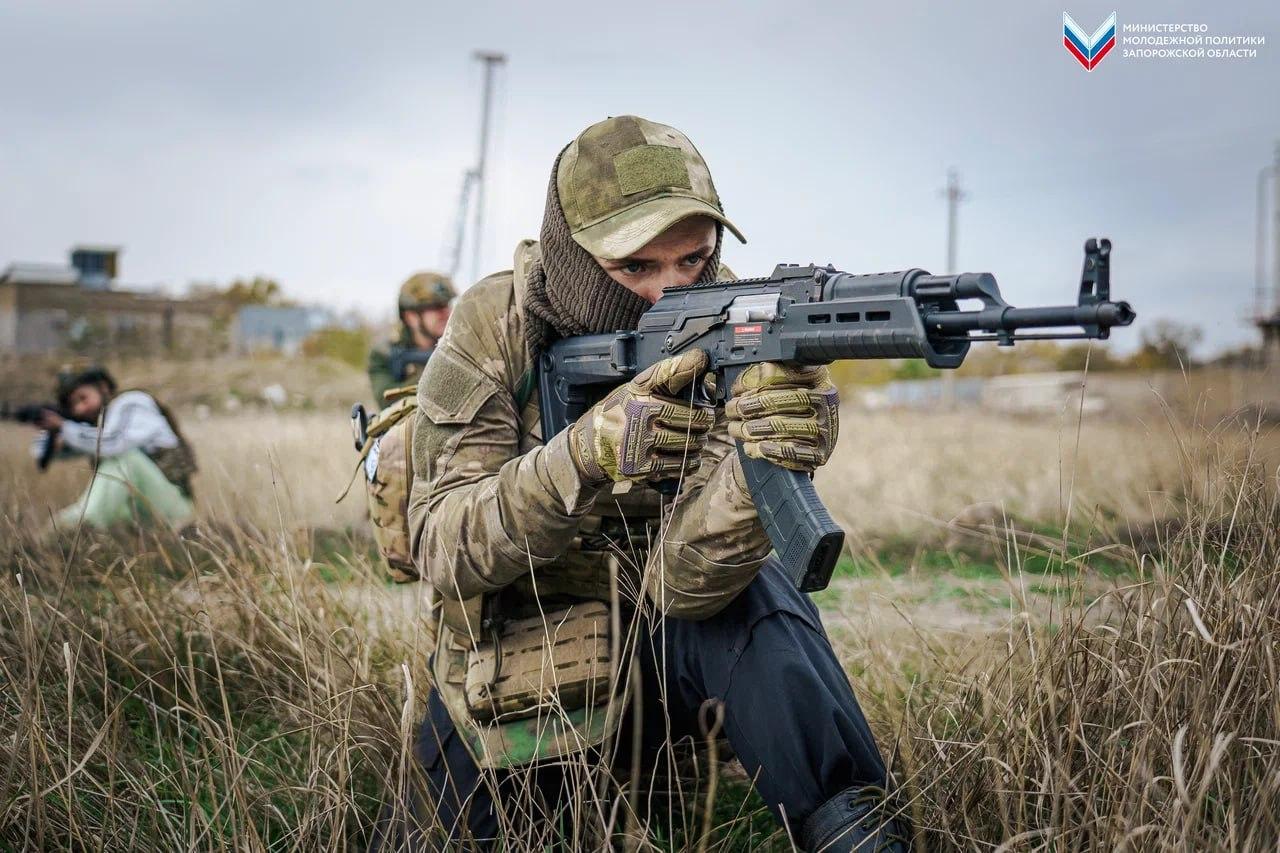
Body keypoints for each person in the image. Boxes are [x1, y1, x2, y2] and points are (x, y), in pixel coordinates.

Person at [377, 116, 908, 851]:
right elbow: (441, 545)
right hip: (511, 668)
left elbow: (691, 585)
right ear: (571, 258)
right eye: (636, 268)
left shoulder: (732, 321)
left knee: (763, 594)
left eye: (693, 260)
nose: (670, 293)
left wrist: (767, 459)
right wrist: (587, 455)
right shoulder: (492, 326)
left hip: (668, 642)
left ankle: (856, 827)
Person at [31, 365, 197, 532]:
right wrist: (53, 432)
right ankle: (66, 530)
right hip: (136, 514)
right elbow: (39, 451)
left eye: (83, 398)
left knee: (124, 458)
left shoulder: (131, 402)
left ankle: (82, 524)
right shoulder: (96, 427)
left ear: (102, 387)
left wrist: (64, 428)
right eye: (72, 405)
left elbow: (114, 443)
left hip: (173, 510)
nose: (79, 409)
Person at [367, 272, 456, 408]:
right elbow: (386, 401)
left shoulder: (461, 345)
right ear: (411, 317)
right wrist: (438, 371)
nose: (445, 313)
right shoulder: (385, 353)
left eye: (446, 305)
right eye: (435, 307)